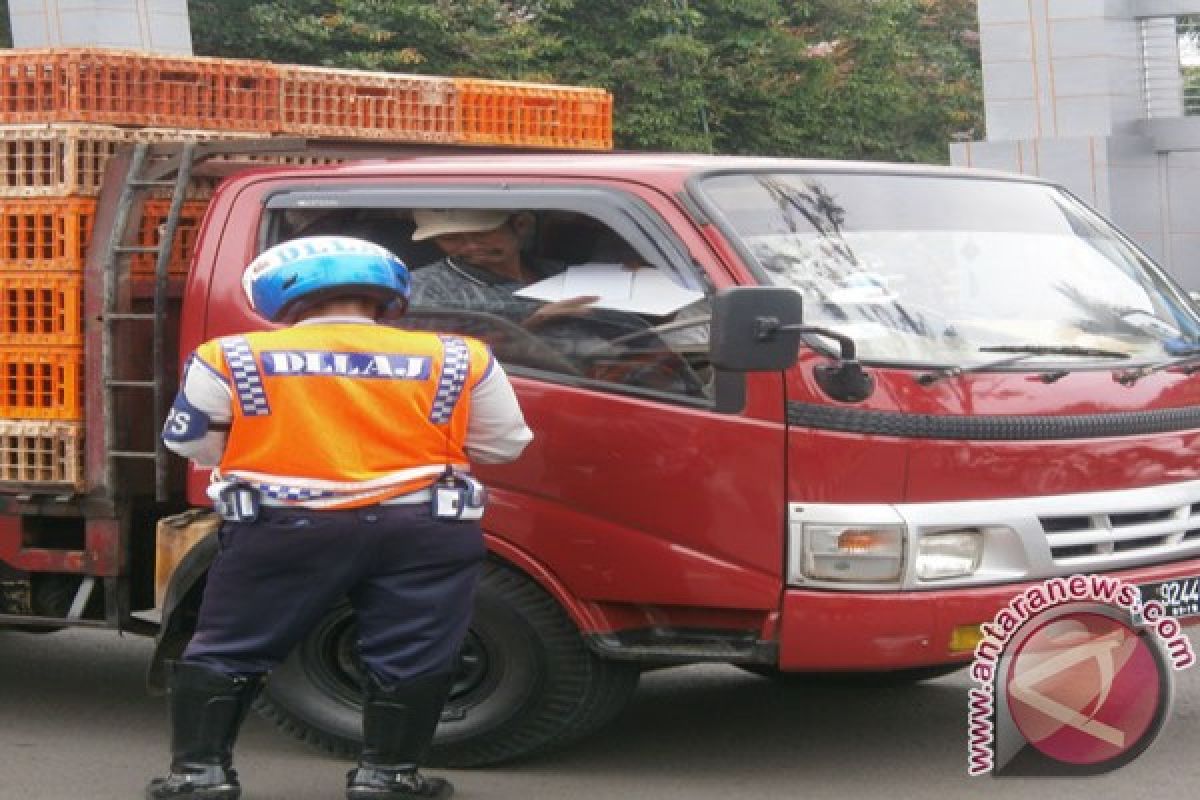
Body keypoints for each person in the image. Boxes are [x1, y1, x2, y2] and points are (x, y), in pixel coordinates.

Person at [148, 235, 533, 800]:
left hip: (280, 527)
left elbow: (194, 447)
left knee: (231, 644)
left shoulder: (230, 356)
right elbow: (506, 444)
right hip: (423, 528)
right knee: (414, 649)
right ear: (388, 293)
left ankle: (200, 776)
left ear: (280, 294)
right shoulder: (459, 356)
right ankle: (388, 779)